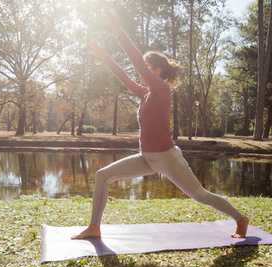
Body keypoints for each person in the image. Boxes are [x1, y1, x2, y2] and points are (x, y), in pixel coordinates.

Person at [72, 9, 249, 240]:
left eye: (147, 67)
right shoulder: (144, 93)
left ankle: (240, 219)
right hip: (146, 157)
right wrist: (105, 57)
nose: (143, 71)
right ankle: (94, 227)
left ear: (157, 71)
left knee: (200, 195)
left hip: (167, 157)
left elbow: (137, 65)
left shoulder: (163, 91)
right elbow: (124, 76)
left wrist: (118, 30)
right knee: (102, 175)